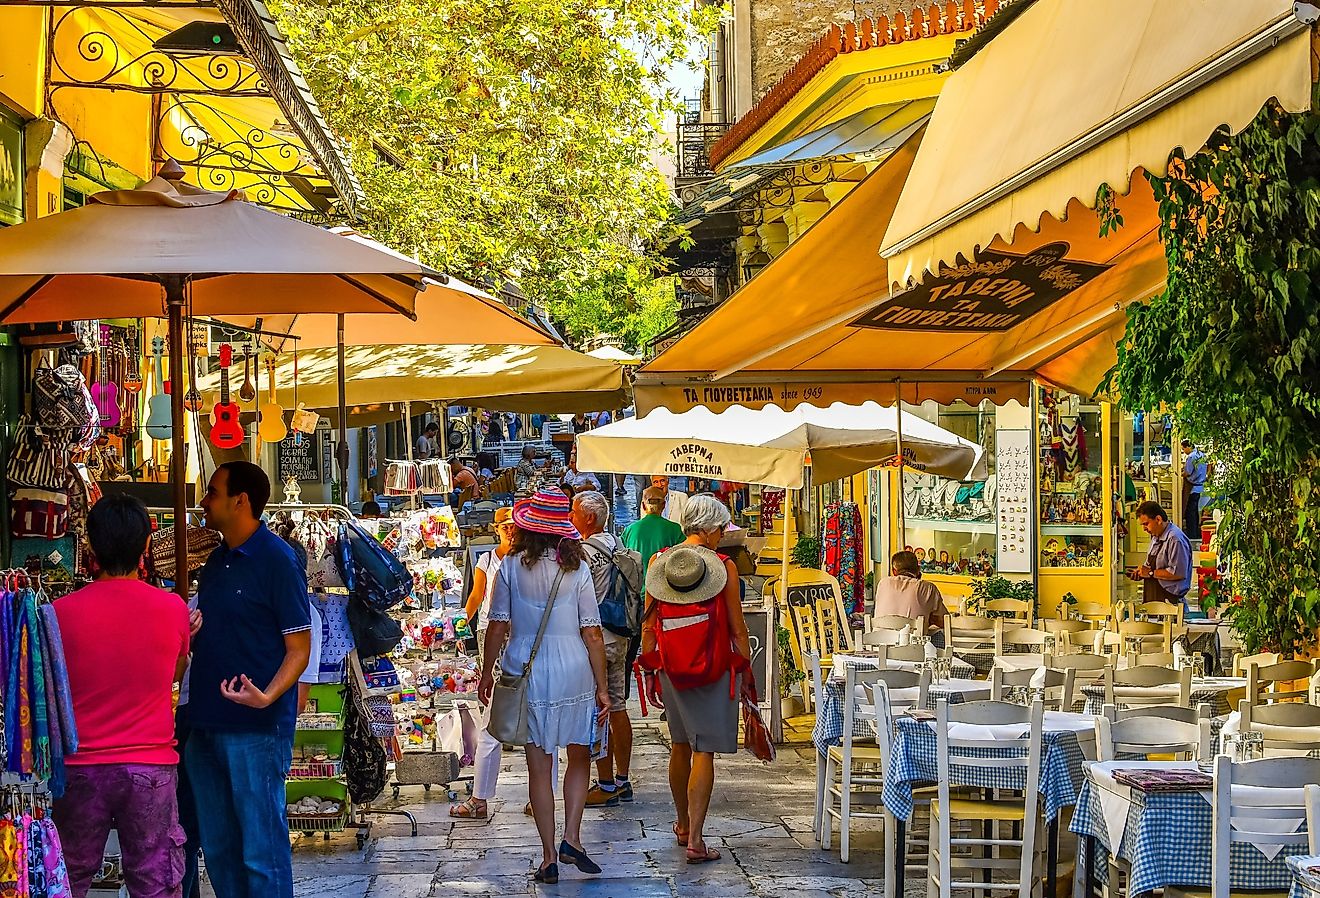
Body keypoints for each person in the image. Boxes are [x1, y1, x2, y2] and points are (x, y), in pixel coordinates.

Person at [53, 494, 194, 898]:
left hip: (80, 765)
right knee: (153, 880)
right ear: (146, 546)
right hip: (149, 764)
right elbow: (174, 674)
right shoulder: (172, 610)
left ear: (91, 545)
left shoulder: (59, 612)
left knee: (69, 876)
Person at [187, 461, 312, 898]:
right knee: (219, 849)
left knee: (261, 849)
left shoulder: (278, 560)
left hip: (256, 728)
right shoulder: (215, 563)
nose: (204, 501)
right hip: (205, 721)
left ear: (240, 501)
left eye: (213, 492)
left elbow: (300, 647)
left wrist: (269, 696)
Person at [478, 488, 609, 884]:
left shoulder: (511, 566)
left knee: (539, 765)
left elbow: (498, 625)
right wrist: (603, 686)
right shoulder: (578, 567)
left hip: (527, 668)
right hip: (573, 667)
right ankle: (572, 836)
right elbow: (592, 632)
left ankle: (549, 855)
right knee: (579, 753)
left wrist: (487, 671)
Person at [638, 494, 753, 864]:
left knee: (679, 743)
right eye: (721, 529)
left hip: (671, 665)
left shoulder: (659, 563)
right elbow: (737, 626)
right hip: (714, 667)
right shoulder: (722, 567)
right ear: (710, 529)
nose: (721, 536)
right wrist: (746, 667)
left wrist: (653, 666)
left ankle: (683, 823)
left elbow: (648, 624)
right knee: (704, 749)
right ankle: (697, 841)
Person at [451, 508, 561, 818]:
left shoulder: (517, 565)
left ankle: (488, 798)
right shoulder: (541, 564)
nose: (510, 532)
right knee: (533, 721)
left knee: (496, 722)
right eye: (505, 527)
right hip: (528, 646)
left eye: (514, 526)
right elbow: (477, 597)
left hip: (516, 646)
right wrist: (461, 623)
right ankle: (532, 797)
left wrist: (487, 672)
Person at [571, 491, 637, 808]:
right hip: (620, 635)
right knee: (619, 706)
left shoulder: (581, 552)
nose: (570, 517)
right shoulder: (617, 544)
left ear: (589, 518)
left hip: (595, 639)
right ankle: (623, 780)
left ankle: (606, 783)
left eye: (574, 512)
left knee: (598, 708)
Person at [1128, 500, 1194, 609]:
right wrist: (1141, 572)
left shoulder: (1175, 539)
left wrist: (1150, 573)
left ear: (1158, 519)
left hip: (1170, 602)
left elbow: (1178, 573)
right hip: (1153, 599)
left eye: (1146, 524)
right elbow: (1150, 566)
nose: (1144, 529)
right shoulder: (1155, 536)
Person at [872, 550, 946, 632]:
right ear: (918, 570)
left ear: (894, 571)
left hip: (878, 642)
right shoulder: (927, 588)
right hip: (912, 644)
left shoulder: (883, 583)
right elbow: (944, 621)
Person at [621, 487, 685, 573]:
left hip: (636, 585)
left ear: (643, 506)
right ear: (663, 505)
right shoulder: (675, 529)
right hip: (662, 584)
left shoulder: (630, 530)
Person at [1181, 439, 1208, 537]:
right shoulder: (1202, 455)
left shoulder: (1191, 457)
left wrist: (1181, 473)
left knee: (1189, 512)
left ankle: (1191, 534)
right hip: (1200, 486)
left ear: (1187, 447)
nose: (1184, 451)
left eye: (1183, 449)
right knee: (1195, 510)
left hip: (1192, 487)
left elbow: (1187, 472)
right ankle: (1196, 532)